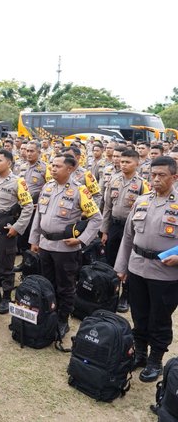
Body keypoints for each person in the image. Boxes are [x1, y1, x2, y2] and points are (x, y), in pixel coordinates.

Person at [115, 156, 178, 383]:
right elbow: (127, 237)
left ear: (174, 177)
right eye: (153, 175)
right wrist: (121, 267)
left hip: (165, 274)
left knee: (159, 319)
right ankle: (140, 354)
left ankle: (155, 361)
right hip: (137, 268)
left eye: (162, 175)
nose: (156, 179)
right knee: (139, 315)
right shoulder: (142, 200)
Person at [29, 155, 102, 338]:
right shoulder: (47, 186)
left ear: (69, 169)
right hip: (45, 245)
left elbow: (96, 219)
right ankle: (49, 314)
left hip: (65, 248)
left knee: (65, 287)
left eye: (58, 166)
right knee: (47, 283)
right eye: (52, 165)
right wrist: (34, 239)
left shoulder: (80, 190)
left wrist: (82, 240)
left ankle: (63, 319)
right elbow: (39, 216)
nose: (53, 169)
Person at [0, 148, 34, 313]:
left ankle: (6, 296)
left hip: (5, 228)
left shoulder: (18, 182)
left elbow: (28, 207)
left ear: (9, 163)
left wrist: (17, 228)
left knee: (6, 265)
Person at [101, 149, 149, 312]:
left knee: (128, 261)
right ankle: (110, 292)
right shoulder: (113, 180)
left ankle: (125, 296)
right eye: (122, 161)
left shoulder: (143, 184)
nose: (123, 165)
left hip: (132, 229)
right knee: (111, 259)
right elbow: (107, 206)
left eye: (127, 162)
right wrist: (104, 230)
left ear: (137, 163)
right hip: (114, 226)